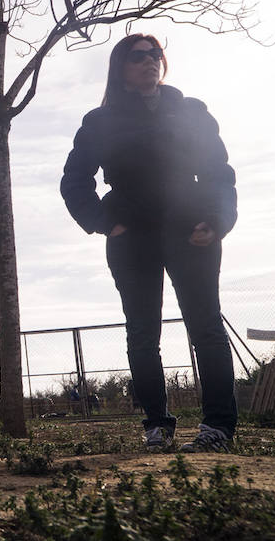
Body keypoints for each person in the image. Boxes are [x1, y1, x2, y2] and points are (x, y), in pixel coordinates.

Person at [60, 34, 238, 453]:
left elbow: (219, 174)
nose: (150, 61)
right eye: (138, 56)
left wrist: (215, 221)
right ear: (120, 67)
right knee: (142, 335)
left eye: (156, 53)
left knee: (207, 328)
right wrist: (105, 222)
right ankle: (157, 425)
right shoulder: (99, 122)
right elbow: (74, 181)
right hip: (132, 236)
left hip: (191, 231)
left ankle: (219, 427)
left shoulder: (192, 111)